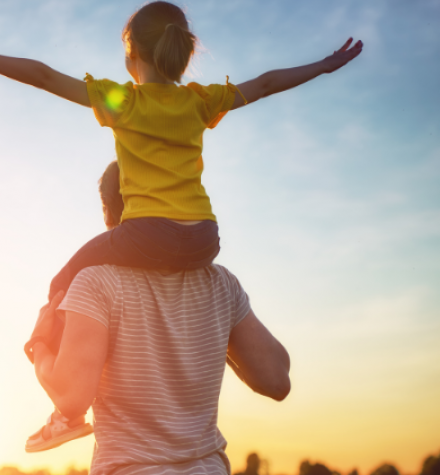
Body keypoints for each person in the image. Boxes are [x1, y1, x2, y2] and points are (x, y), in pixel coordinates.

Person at [0, 0, 359, 451]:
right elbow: (268, 82)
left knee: (63, 281)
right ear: (182, 51)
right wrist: (324, 66)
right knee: (112, 270)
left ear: (131, 52)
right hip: (203, 238)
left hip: (147, 235)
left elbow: (43, 75)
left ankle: (66, 415)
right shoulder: (200, 101)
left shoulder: (125, 101)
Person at [27, 160, 291, 473]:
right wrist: (217, 331)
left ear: (107, 211)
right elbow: (277, 379)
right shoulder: (220, 283)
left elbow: (71, 399)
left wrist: (38, 343)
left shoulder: (96, 283)